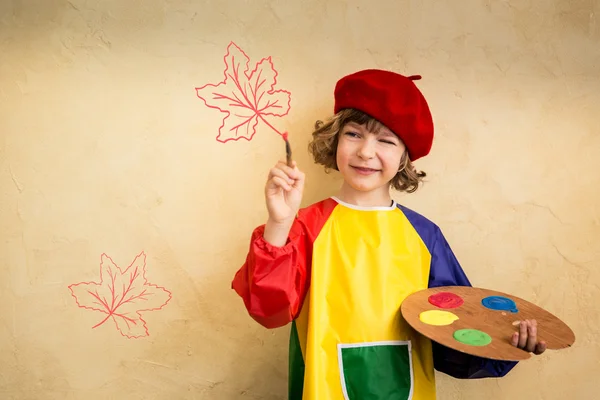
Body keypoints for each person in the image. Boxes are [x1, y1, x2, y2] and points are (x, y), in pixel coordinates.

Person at [231, 69, 546, 400]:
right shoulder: (306, 226)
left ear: (404, 157)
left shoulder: (425, 236)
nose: (366, 152)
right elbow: (270, 310)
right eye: (354, 134)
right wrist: (279, 222)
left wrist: (505, 342)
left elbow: (454, 333)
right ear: (334, 139)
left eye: (385, 140)